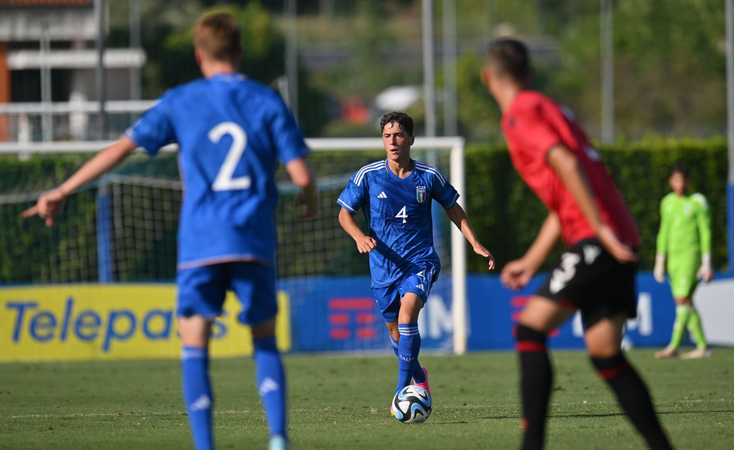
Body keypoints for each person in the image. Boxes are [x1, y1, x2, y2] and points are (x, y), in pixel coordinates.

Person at [22, 12, 316, 450]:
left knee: (194, 339)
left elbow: (121, 149)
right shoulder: (266, 101)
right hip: (252, 238)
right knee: (264, 338)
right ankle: (277, 439)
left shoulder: (181, 100)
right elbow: (303, 177)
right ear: (239, 51)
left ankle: (204, 445)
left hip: (202, 243)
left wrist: (62, 189)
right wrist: (307, 200)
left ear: (200, 55)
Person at [483, 38, 673, 450]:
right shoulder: (553, 110)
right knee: (606, 354)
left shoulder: (519, 115)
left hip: (598, 239)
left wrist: (599, 230)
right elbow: (569, 187)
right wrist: (533, 260)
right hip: (617, 238)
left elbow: (567, 165)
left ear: (488, 77)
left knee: (529, 329)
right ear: (529, 74)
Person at [336, 111, 494, 415]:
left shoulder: (428, 176)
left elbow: (454, 209)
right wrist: (358, 236)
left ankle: (401, 390)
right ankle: (419, 375)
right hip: (383, 267)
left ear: (410, 139)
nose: (392, 141)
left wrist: (474, 243)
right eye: (387, 136)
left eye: (398, 135)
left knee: (408, 316)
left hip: (420, 261)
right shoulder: (367, 175)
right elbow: (344, 214)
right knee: (395, 332)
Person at [653, 164, 712, 359]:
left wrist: (706, 262)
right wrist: (660, 261)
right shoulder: (667, 202)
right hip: (673, 258)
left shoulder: (697, 202)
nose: (679, 184)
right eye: (675, 180)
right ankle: (702, 346)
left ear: (687, 181)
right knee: (685, 301)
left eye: (682, 180)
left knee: (681, 300)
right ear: (671, 181)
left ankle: (673, 345)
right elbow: (663, 232)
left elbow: (705, 232)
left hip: (690, 255)